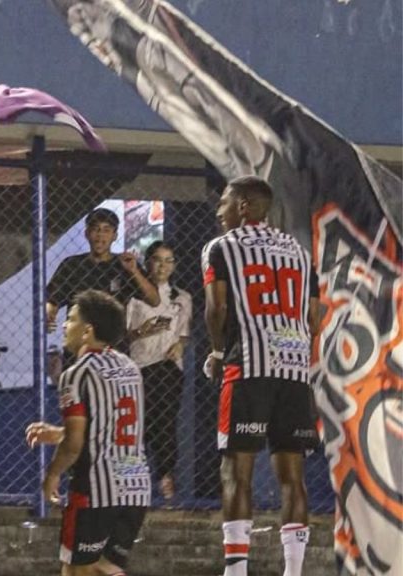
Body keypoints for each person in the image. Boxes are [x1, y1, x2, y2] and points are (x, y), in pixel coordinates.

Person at [201, 176, 319, 576]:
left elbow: (216, 308)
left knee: (237, 470)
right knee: (293, 476)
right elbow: (314, 316)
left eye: (224, 202)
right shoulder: (300, 252)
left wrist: (218, 352)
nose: (219, 211)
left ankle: (236, 571)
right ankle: (294, 571)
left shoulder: (220, 247)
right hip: (295, 370)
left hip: (249, 366)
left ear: (244, 206)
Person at [26, 289, 151, 576]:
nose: (64, 326)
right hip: (136, 486)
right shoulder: (130, 368)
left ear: (87, 331)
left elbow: (75, 443)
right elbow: (110, 428)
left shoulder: (76, 373)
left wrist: (52, 474)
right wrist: (57, 433)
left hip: (96, 488)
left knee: (75, 569)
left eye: (71, 319)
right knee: (104, 567)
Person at [45, 208, 160, 361]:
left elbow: (154, 300)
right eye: (96, 229)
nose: (100, 235)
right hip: (78, 349)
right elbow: (52, 299)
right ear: (87, 233)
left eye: (106, 230)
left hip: (115, 349)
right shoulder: (72, 265)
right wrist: (48, 315)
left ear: (115, 235)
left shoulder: (124, 264)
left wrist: (134, 272)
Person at [125, 240, 192, 502]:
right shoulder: (133, 295)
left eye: (168, 261)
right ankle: (134, 477)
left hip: (166, 366)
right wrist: (143, 331)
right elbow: (123, 334)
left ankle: (165, 475)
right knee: (139, 423)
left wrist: (180, 345)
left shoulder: (181, 297)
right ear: (148, 262)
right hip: (139, 365)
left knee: (165, 422)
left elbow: (183, 332)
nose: (162, 266)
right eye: (157, 260)